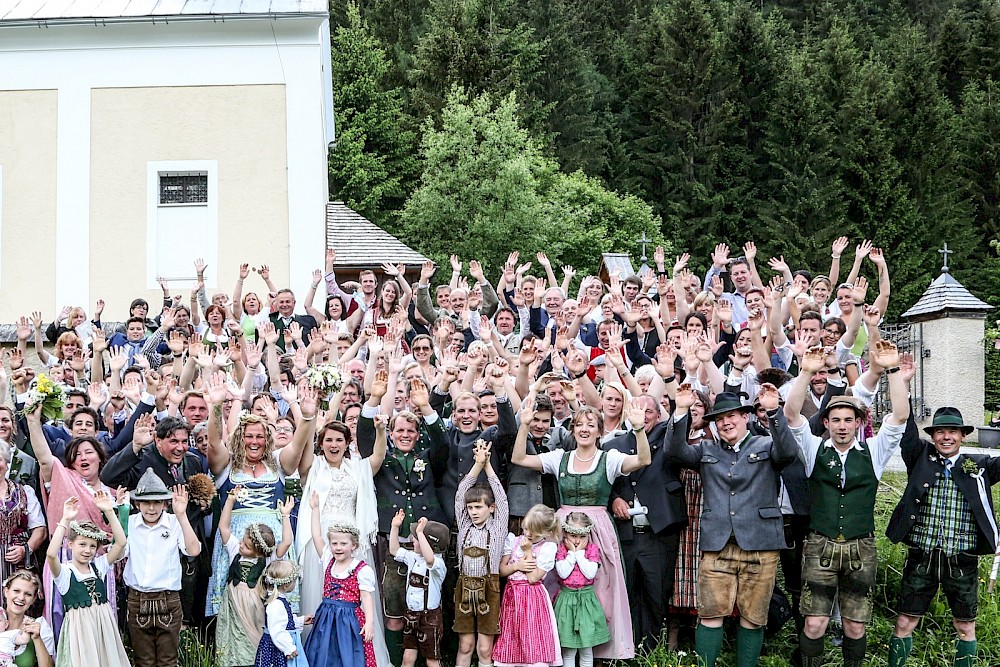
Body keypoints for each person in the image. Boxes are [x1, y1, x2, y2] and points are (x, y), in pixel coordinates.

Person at [784, 342, 909, 667]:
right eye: (835, 419)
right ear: (825, 422)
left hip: (860, 548)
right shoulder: (814, 450)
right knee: (815, 622)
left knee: (854, 625)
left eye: (848, 419)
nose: (841, 425)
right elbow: (791, 414)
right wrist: (807, 371)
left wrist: (893, 369)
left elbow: (900, 415)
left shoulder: (874, 451)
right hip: (820, 546)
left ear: (858, 422)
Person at [666, 384, 797, 667]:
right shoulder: (706, 450)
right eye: (720, 418)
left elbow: (788, 453)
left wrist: (774, 412)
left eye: (733, 416)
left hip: (761, 545)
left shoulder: (766, 445)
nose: (726, 422)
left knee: (753, 616)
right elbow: (674, 452)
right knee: (710, 613)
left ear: (746, 417)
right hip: (717, 545)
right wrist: (679, 411)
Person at [511, 402, 651, 660]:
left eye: (591, 425)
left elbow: (643, 459)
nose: (584, 429)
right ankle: (557, 649)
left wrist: (639, 429)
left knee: (600, 589)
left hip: (597, 528)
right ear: (572, 430)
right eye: (579, 425)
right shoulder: (560, 458)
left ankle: (597, 653)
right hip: (563, 527)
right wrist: (523, 425)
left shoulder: (608, 459)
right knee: (558, 587)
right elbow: (519, 458)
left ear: (599, 431)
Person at [886, 406, 1000, 667]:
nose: (946, 437)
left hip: (962, 560)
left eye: (952, 432)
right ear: (933, 436)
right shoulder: (919, 456)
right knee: (905, 621)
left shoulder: (978, 466)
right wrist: (902, 382)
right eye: (940, 432)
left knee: (965, 626)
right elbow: (906, 428)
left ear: (962, 436)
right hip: (921, 558)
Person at [204, 381, 318, 619]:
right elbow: (214, 443)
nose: (254, 441)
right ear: (239, 438)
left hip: (274, 539)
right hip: (235, 541)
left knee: (273, 602)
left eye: (259, 437)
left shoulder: (277, 462)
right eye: (248, 436)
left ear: (268, 439)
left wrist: (307, 418)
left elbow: (297, 445)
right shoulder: (228, 464)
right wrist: (215, 407)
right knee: (237, 602)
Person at [295, 374, 388, 667]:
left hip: (351, 537)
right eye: (328, 440)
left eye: (339, 440)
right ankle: (319, 654)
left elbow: (377, 457)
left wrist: (381, 431)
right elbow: (303, 450)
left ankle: (357, 653)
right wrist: (310, 418)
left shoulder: (356, 469)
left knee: (358, 597)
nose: (333, 445)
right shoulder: (314, 467)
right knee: (319, 596)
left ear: (347, 442)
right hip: (320, 537)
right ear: (321, 443)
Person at [606, 394, 686, 650]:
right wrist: (614, 499)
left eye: (648, 412)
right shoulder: (612, 445)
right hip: (626, 535)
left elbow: (680, 424)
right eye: (637, 411)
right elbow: (601, 483)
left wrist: (679, 399)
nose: (642, 417)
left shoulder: (667, 441)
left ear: (658, 415)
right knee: (627, 594)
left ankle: (651, 652)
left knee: (656, 595)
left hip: (657, 535)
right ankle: (626, 652)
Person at [123, 468, 202, 667]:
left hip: (168, 598)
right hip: (137, 598)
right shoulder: (130, 523)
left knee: (168, 661)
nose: (151, 508)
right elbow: (118, 552)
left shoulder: (174, 522)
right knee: (144, 660)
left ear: (165, 504)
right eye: (146, 502)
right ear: (137, 503)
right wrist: (118, 513)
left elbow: (193, 550)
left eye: (157, 502)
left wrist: (182, 515)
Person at [45, 494, 129, 667]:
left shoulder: (98, 566)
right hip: (80, 632)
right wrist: (65, 519)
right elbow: (51, 554)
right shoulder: (65, 573)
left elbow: (120, 543)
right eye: (82, 544)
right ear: (70, 544)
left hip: (103, 627)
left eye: (92, 546)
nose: (88, 550)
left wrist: (109, 511)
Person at [215, 487, 294, 667]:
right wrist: (230, 501)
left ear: (259, 552)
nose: (241, 545)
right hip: (233, 604)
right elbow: (223, 527)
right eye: (242, 541)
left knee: (253, 638)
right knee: (232, 637)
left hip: (254, 606)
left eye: (247, 546)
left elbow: (287, 542)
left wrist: (285, 516)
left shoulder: (268, 559)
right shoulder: (236, 549)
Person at [454, 440, 508, 667]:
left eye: (479, 507)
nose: (473, 512)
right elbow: (460, 494)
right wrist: (477, 464)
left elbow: (502, 497)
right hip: (464, 586)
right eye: (471, 508)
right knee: (465, 645)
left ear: (491, 508)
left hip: (490, 587)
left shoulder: (497, 527)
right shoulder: (465, 525)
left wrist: (487, 466)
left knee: (484, 648)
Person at [491, 504, 561, 667]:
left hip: (533, 599)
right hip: (512, 597)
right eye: (526, 528)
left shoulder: (548, 548)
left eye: (533, 532)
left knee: (532, 635)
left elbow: (534, 578)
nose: (528, 534)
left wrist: (528, 552)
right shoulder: (513, 541)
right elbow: (502, 570)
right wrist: (516, 566)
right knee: (512, 634)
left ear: (546, 533)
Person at [304, 511, 377, 667]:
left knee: (348, 654)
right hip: (326, 617)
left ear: (354, 545)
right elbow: (316, 536)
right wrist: (315, 509)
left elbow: (366, 597)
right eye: (334, 543)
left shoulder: (361, 569)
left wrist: (369, 622)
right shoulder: (328, 560)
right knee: (323, 653)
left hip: (349, 620)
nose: (338, 547)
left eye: (343, 544)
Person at [388, 512, 450, 667]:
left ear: (428, 544)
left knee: (432, 660)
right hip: (411, 616)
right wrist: (395, 527)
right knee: (408, 658)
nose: (412, 541)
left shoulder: (438, 565)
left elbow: (430, 559)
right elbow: (394, 550)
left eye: (415, 539)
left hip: (429, 619)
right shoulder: (413, 557)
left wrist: (421, 533)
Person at [555, 512, 610, 667]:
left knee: (586, 649)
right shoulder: (562, 550)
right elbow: (563, 572)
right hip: (567, 601)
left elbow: (590, 573)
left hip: (586, 602)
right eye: (573, 536)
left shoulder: (592, 550)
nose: (577, 541)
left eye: (582, 536)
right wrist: (572, 553)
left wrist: (578, 553)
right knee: (569, 650)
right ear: (565, 534)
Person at [0, 443, 46, 584]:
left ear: (7, 464)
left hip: (20, 567)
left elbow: (40, 530)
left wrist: (26, 549)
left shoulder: (25, 492)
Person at [255, 560, 310, 667]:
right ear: (286, 585)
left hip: (280, 645)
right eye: (294, 580)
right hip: (278, 648)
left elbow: (284, 621)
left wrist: (301, 621)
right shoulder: (276, 604)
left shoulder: (279, 600)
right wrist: (289, 648)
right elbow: (277, 631)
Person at [1, 571, 54, 667]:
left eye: (28, 594)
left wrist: (37, 639)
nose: (21, 597)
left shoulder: (40, 627)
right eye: (16, 591)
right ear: (6, 592)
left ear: (33, 599)